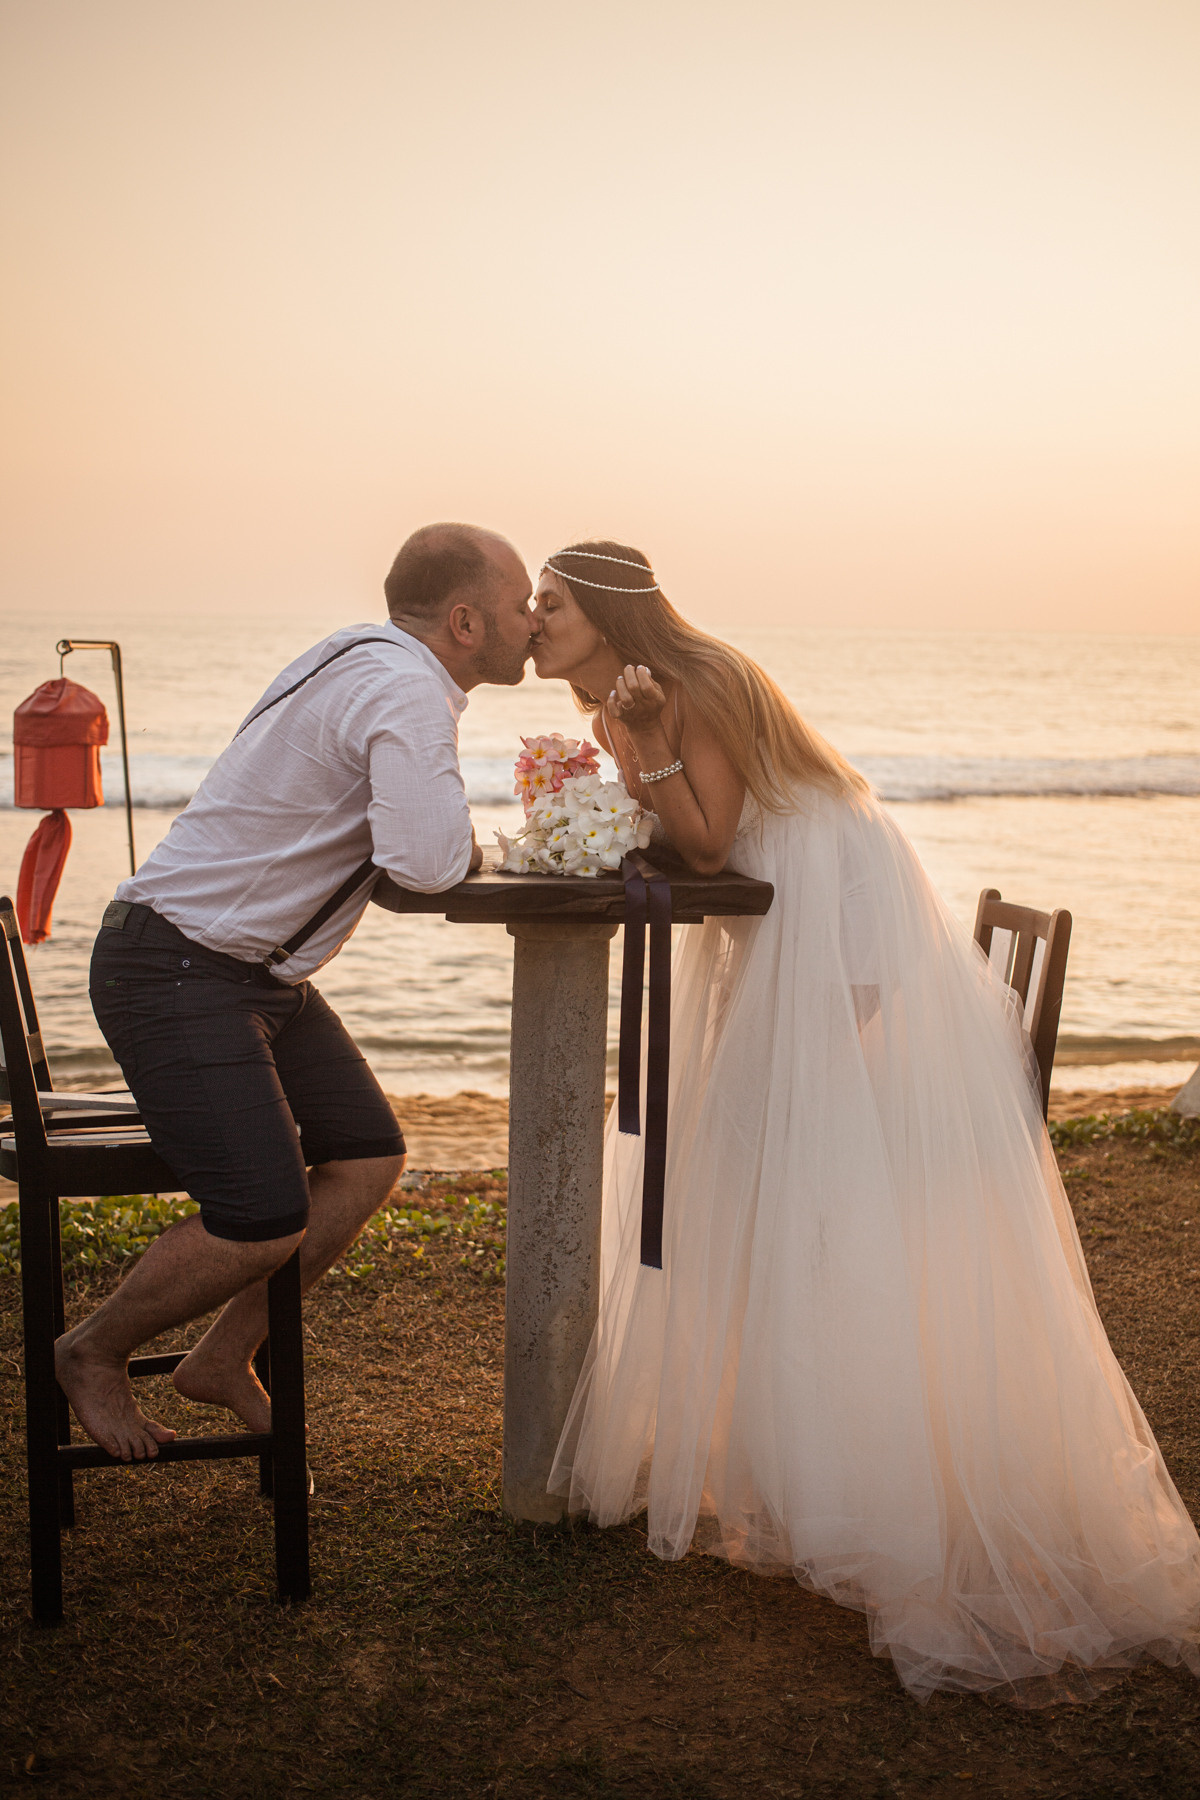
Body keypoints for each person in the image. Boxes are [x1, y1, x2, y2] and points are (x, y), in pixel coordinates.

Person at [531, 539, 1200, 1705]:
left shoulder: (697, 681)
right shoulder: (628, 705)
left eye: (549, 603)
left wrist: (638, 749)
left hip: (838, 909)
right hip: (782, 918)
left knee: (792, 1169)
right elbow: (687, 840)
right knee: (745, 1168)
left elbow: (705, 843)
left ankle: (858, 1483)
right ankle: (797, 1464)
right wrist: (611, 772)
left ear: (604, 613)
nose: (535, 620)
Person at [57, 523, 536, 1464]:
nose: (531, 622)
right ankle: (92, 1350)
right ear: (468, 620)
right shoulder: (406, 687)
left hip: (247, 974)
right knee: (261, 1213)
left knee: (364, 1159)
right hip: (180, 967)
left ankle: (224, 1354)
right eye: (522, 605)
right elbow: (426, 861)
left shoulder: (355, 650)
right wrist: (473, 844)